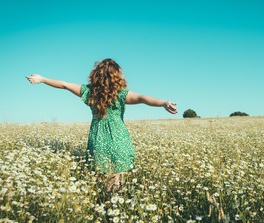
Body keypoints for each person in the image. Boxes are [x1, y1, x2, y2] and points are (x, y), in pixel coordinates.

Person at [26, 58, 177, 192]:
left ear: (96, 75)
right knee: (119, 183)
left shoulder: (89, 92)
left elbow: (65, 85)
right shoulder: (121, 94)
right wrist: (163, 103)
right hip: (119, 140)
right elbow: (142, 98)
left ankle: (107, 206)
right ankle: (117, 208)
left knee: (102, 183)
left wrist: (42, 79)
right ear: (117, 76)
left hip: (98, 139)